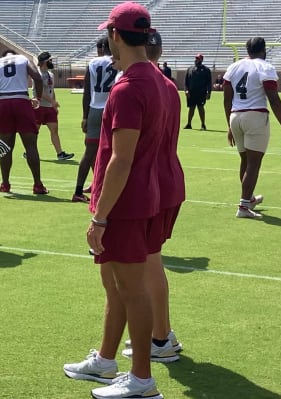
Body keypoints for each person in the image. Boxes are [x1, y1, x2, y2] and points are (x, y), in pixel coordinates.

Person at [64, 3, 167, 399]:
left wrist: (101, 216)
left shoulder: (128, 86)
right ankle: (107, 361)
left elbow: (120, 159)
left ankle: (141, 379)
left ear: (116, 35)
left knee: (131, 288)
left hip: (125, 202)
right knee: (117, 284)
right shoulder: (153, 78)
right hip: (140, 195)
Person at [117, 31, 184, 364]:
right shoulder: (166, 85)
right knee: (150, 261)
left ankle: (161, 337)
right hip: (166, 177)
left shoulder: (147, 84)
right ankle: (161, 335)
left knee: (147, 262)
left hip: (153, 181)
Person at [223, 36, 281, 218]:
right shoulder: (265, 66)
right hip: (255, 115)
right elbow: (273, 98)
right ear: (264, 50)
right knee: (254, 164)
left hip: (235, 115)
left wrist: (229, 125)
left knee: (245, 161)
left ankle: (249, 199)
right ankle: (244, 206)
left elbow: (226, 98)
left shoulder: (233, 66)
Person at [0, 50, 48, 194]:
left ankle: (5, 184)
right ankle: (37, 184)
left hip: (4, 103)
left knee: (5, 147)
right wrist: (38, 98)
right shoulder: (22, 59)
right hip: (22, 101)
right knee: (30, 145)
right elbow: (37, 77)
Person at [74, 37, 115, 203]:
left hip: (94, 109)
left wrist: (85, 115)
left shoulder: (92, 63)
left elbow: (87, 92)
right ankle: (110, 189)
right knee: (115, 152)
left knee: (89, 152)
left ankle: (78, 190)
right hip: (112, 109)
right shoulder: (118, 61)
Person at [34, 51, 74, 161]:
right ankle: (30, 151)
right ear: (44, 62)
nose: (52, 62)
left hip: (49, 107)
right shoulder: (37, 75)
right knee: (34, 131)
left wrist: (54, 104)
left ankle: (60, 153)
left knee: (54, 130)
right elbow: (39, 91)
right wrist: (52, 101)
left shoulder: (50, 74)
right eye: (50, 60)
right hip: (39, 106)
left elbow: (52, 90)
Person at [184, 53, 212, 130]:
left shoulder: (206, 70)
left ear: (201, 60)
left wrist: (209, 92)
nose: (196, 60)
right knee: (191, 108)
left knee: (200, 107)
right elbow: (186, 81)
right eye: (196, 58)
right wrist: (186, 90)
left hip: (201, 93)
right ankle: (189, 124)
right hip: (191, 93)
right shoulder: (190, 69)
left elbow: (209, 82)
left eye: (198, 59)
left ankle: (203, 124)